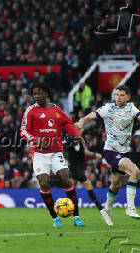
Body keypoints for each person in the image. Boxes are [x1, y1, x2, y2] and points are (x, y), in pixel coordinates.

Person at [76, 85, 140, 225]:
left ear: (128, 97)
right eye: (116, 95)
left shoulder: (132, 108)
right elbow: (91, 116)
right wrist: (81, 121)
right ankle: (130, 208)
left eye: (121, 95)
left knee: (116, 185)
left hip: (123, 151)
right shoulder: (108, 108)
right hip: (111, 151)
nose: (118, 97)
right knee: (135, 171)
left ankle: (106, 210)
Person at [20, 82, 85, 227]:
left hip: (56, 151)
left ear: (46, 94)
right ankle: (55, 217)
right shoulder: (30, 111)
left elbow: (67, 123)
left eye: (39, 93)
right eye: (34, 94)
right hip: (39, 153)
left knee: (66, 179)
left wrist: (76, 134)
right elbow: (23, 131)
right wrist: (35, 139)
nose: (36, 96)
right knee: (44, 182)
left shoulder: (56, 109)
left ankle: (76, 217)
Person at [63, 135, 103, 210]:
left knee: (72, 187)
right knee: (87, 183)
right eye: (79, 128)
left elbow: (84, 151)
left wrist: (95, 155)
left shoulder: (80, 140)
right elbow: (64, 148)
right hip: (74, 167)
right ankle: (99, 207)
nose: (81, 129)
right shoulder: (69, 139)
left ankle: (68, 206)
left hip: (80, 166)